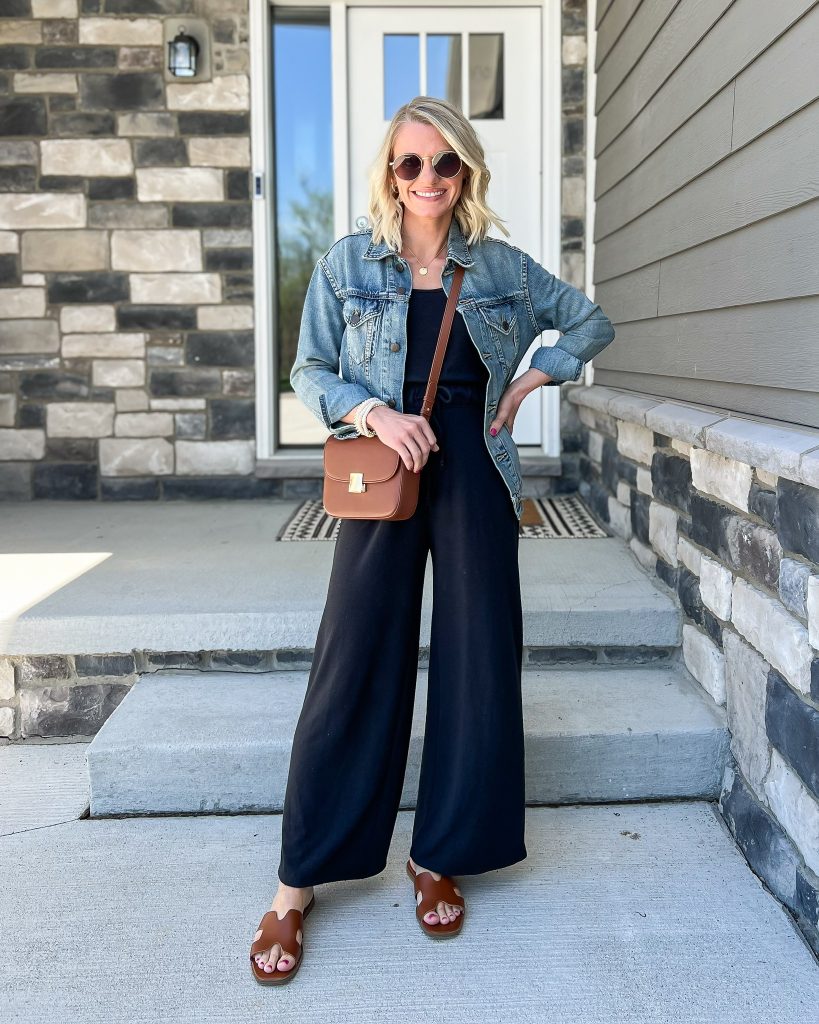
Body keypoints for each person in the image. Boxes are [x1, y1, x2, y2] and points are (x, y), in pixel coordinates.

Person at [250, 96, 615, 984]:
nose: (426, 181)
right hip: (384, 463)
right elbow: (308, 370)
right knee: (354, 657)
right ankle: (297, 882)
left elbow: (591, 322)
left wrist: (530, 383)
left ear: (466, 173)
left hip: (475, 470)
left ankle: (438, 853)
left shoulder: (498, 267)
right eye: (409, 165)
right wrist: (372, 409)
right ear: (389, 172)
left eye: (444, 164)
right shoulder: (348, 261)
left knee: (476, 656)